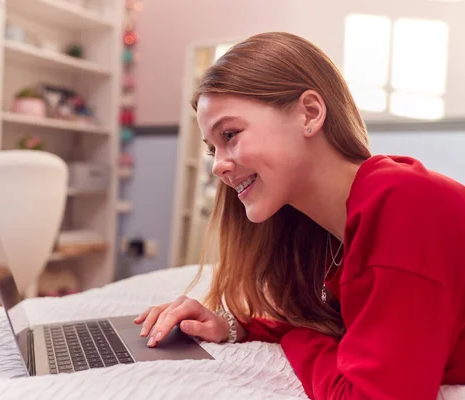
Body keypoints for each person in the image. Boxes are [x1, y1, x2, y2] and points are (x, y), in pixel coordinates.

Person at [134, 32, 465, 399]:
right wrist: (237, 327)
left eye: (230, 134)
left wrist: (295, 336)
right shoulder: (336, 230)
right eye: (213, 149)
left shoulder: (405, 205)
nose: (218, 167)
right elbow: (347, 334)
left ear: (309, 113)